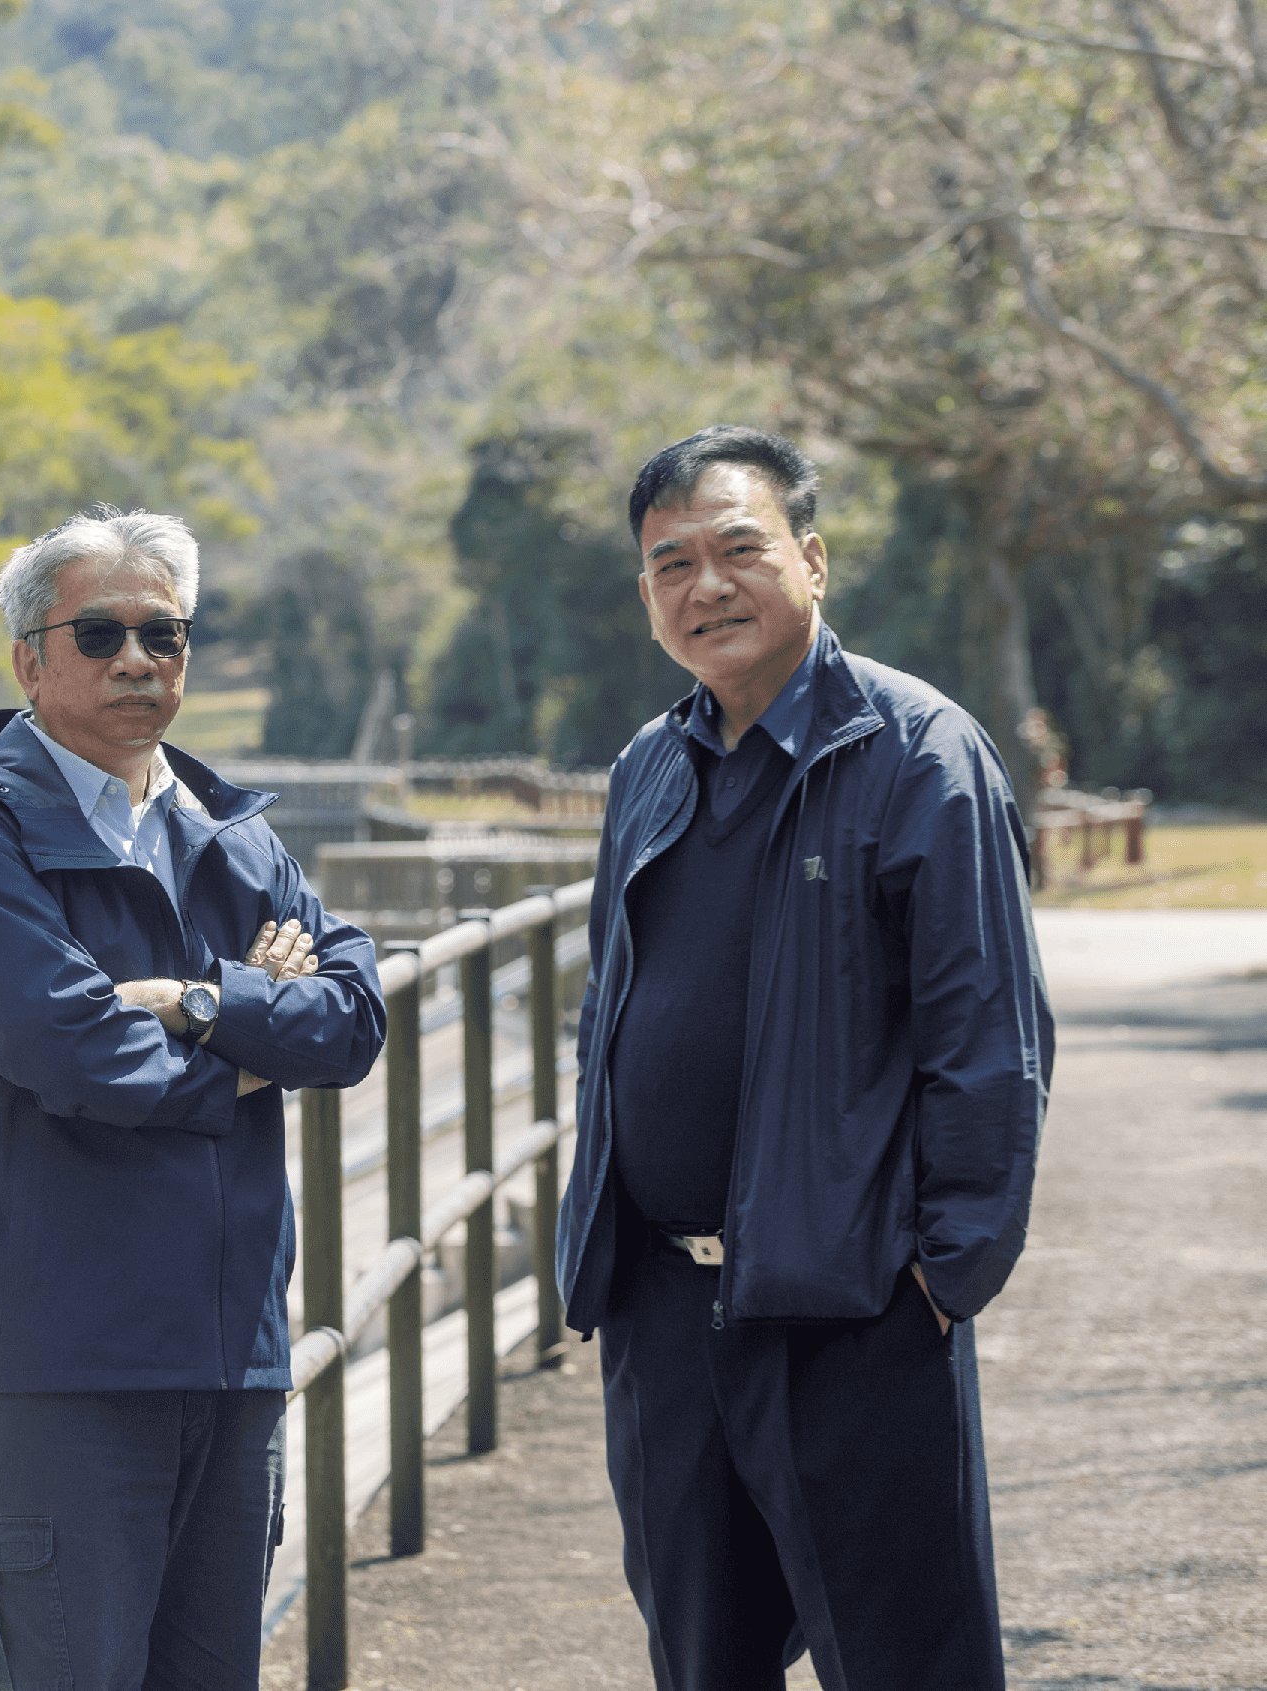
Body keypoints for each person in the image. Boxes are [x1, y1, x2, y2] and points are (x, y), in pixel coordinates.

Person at [557, 425, 1054, 1689]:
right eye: (670, 563)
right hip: (664, 1316)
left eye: (738, 549)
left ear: (811, 560)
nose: (705, 585)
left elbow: (985, 1037)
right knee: (699, 1655)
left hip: (852, 1305)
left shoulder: (915, 754)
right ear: (645, 597)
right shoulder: (647, 767)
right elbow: (610, 1013)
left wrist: (943, 1275)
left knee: (902, 1659)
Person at [0, 508, 386, 1691]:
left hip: (228, 1363)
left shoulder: (227, 832)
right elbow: (83, 1057)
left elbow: (356, 1014)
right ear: (29, 658)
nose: (135, 658)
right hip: (51, 1376)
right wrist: (265, 1022)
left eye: (162, 633)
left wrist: (197, 1003)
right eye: (98, 631)